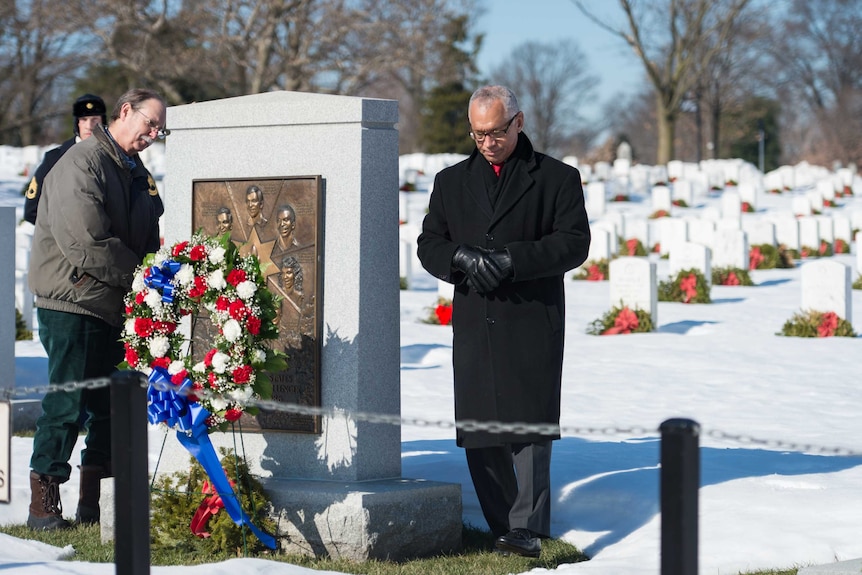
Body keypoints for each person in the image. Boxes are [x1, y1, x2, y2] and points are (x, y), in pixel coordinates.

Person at [416, 85, 590, 558]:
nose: (488, 142)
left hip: (531, 317)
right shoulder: (451, 181)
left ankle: (528, 529)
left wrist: (514, 260)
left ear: (519, 121)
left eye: (495, 131)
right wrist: (460, 257)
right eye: (478, 135)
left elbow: (574, 243)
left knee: (529, 427)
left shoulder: (557, 178)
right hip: (477, 318)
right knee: (481, 426)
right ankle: (500, 524)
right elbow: (428, 243)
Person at [27, 88, 168, 530]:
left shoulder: (134, 170)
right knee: (68, 402)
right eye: (150, 123)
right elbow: (86, 243)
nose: (154, 133)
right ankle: (43, 506)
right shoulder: (81, 161)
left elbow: (150, 230)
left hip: (114, 302)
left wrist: (156, 273)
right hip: (73, 300)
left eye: (160, 129)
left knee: (113, 407)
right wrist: (142, 278)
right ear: (126, 111)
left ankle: (96, 505)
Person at [23, 94, 107, 224]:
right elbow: (32, 211)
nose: (89, 126)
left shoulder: (115, 157)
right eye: (84, 119)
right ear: (77, 122)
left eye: (95, 119)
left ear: (103, 122)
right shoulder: (55, 158)